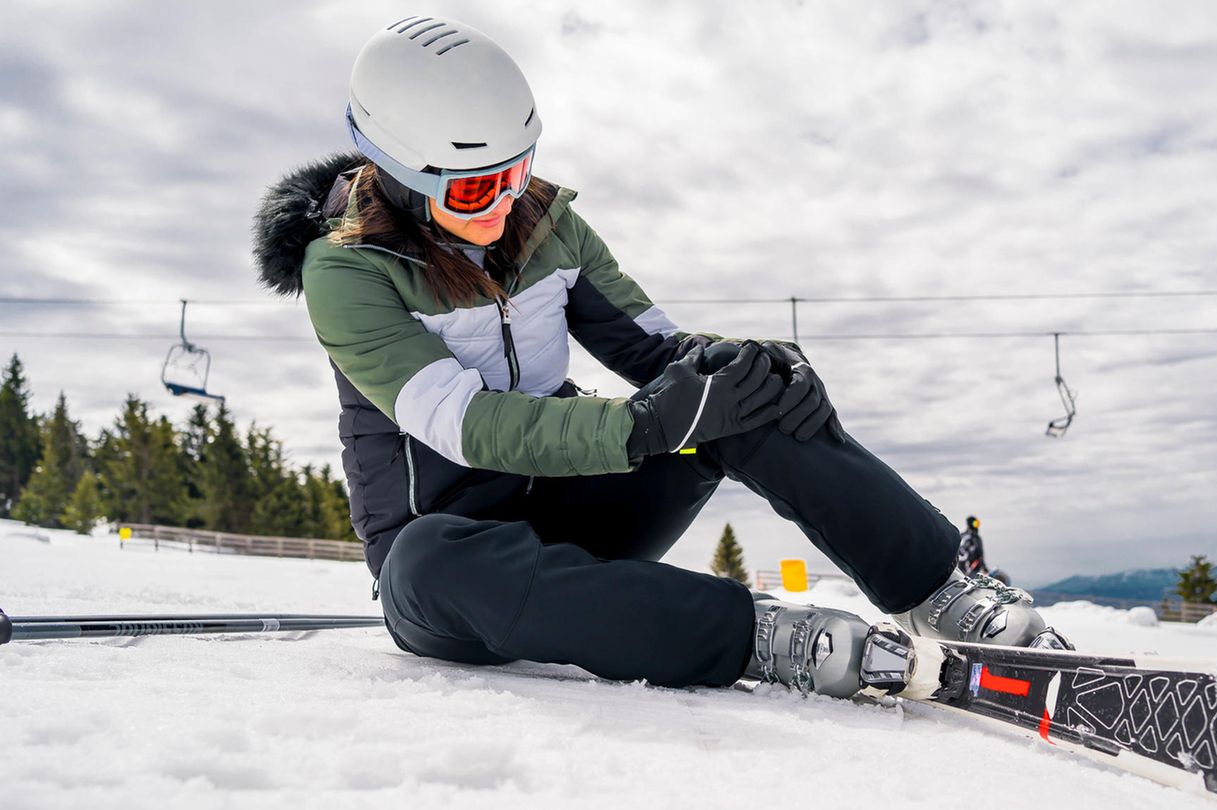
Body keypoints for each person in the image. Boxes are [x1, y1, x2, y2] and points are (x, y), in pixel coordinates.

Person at [251, 16, 1068, 700]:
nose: (506, 203)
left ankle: (940, 589)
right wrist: (638, 426)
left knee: (732, 394)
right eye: (473, 190)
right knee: (424, 563)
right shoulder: (346, 273)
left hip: (577, 514)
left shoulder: (546, 227)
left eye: (518, 172)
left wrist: (743, 367)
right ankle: (763, 641)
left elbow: (656, 348)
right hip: (455, 571)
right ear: (399, 175)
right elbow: (465, 425)